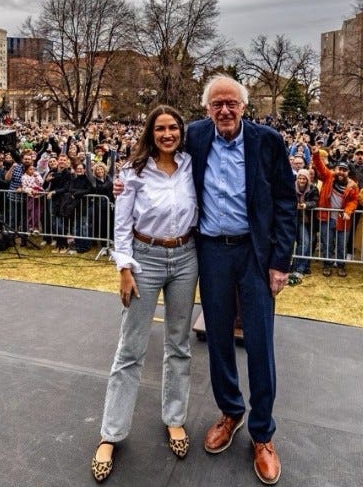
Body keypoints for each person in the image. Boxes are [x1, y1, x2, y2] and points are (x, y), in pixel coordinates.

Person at [185, 75, 295, 484]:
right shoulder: (195, 136)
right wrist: (126, 182)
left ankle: (262, 433)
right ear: (207, 109)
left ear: (244, 107)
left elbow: (286, 200)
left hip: (254, 253)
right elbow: (153, 153)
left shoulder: (267, 141)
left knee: (260, 341)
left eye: (232, 103)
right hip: (212, 250)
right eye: (218, 105)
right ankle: (231, 411)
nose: (225, 111)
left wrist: (279, 261)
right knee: (216, 335)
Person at [92, 106, 199, 483]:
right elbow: (121, 225)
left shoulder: (191, 164)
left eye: (173, 128)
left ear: (181, 132)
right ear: (150, 133)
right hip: (145, 259)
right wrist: (124, 268)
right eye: (160, 128)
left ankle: (174, 419)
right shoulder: (132, 173)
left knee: (179, 344)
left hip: (186, 258)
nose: (167, 134)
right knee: (130, 348)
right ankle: (111, 433)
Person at [312, 153, 359, 277]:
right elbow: (319, 166)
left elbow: (354, 201)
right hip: (326, 217)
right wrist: (316, 154)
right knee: (327, 243)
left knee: (342, 244)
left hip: (342, 220)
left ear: (348, 172)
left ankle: (341, 266)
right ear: (336, 169)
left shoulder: (353, 185)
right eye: (340, 169)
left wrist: (348, 212)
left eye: (344, 170)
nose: (341, 172)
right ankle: (327, 265)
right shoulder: (329, 177)